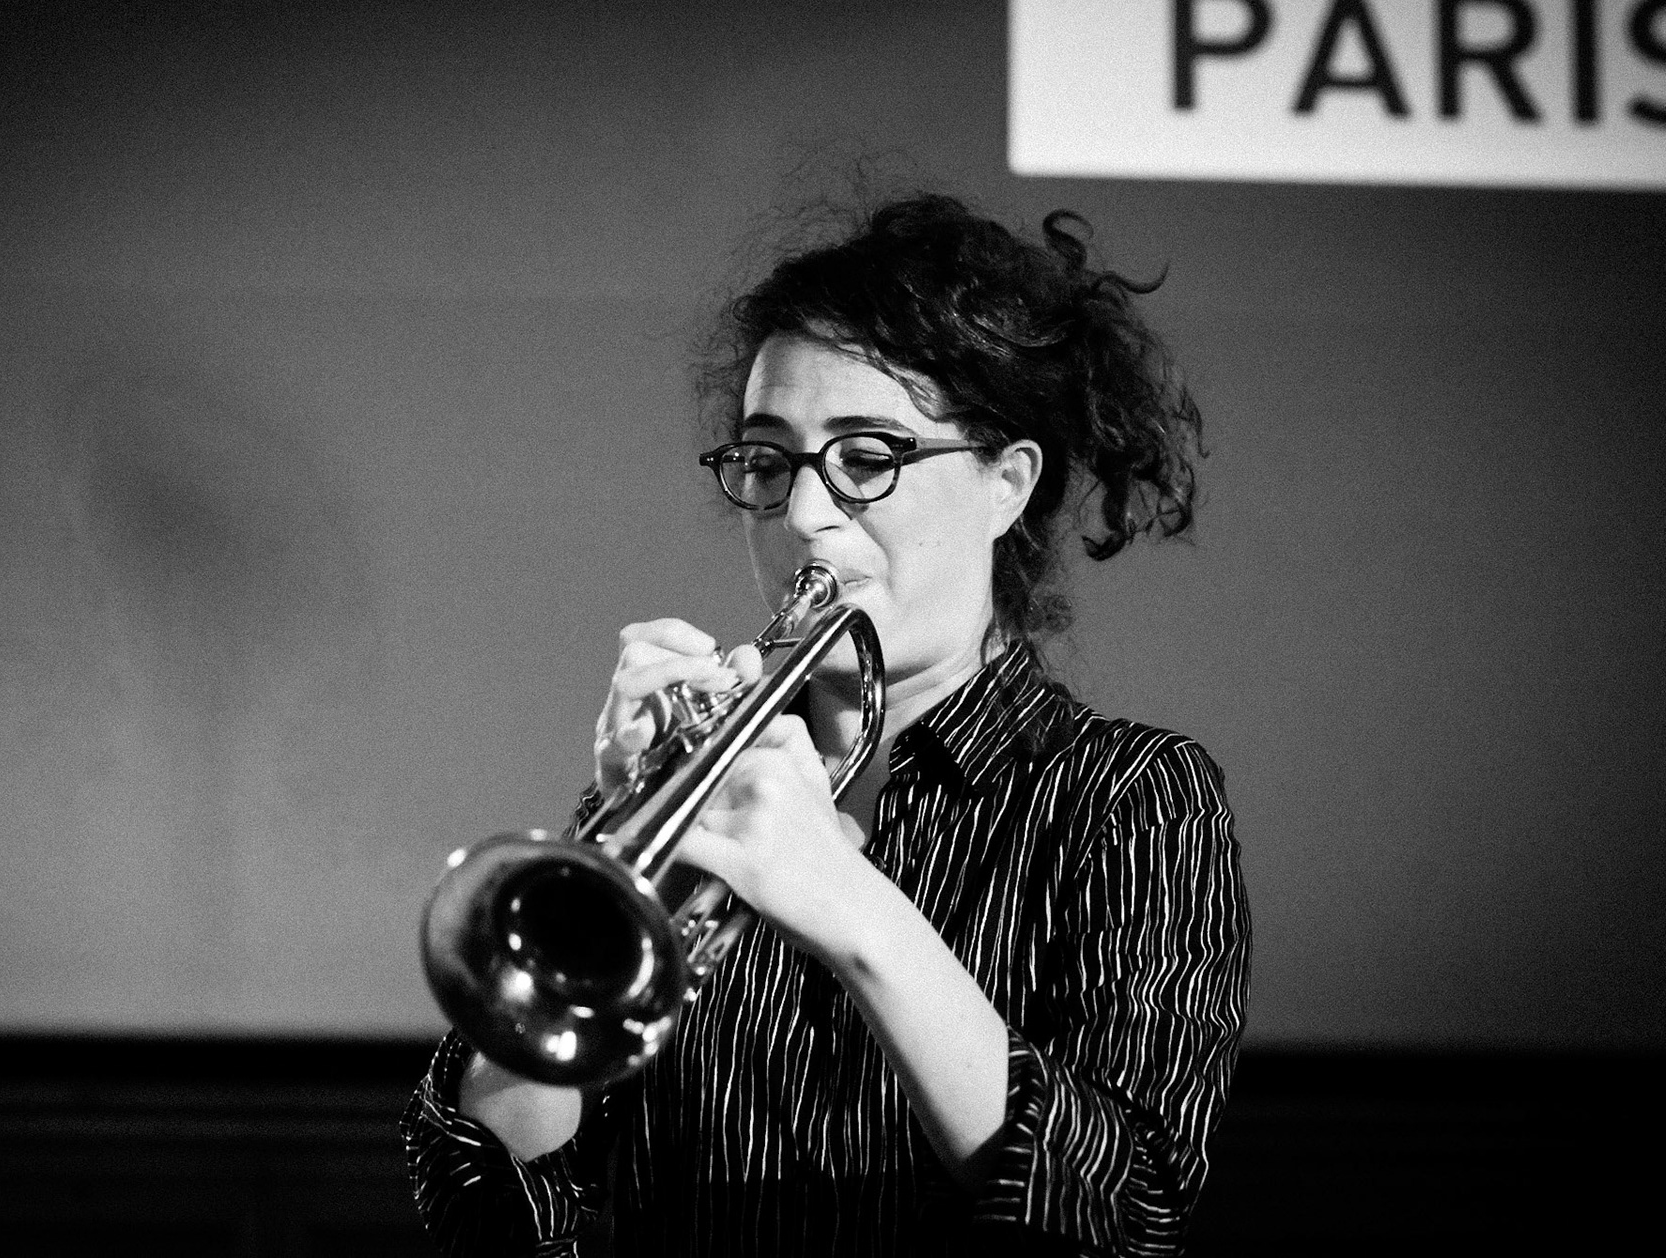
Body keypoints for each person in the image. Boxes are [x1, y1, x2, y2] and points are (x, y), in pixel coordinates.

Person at [403, 193, 1251, 1256]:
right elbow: (486, 1208)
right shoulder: (690, 795)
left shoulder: (1131, 796)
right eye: (768, 461)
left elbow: (1128, 1209)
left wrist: (845, 896)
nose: (805, 514)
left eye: (866, 457)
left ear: (1006, 481)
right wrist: (613, 848)